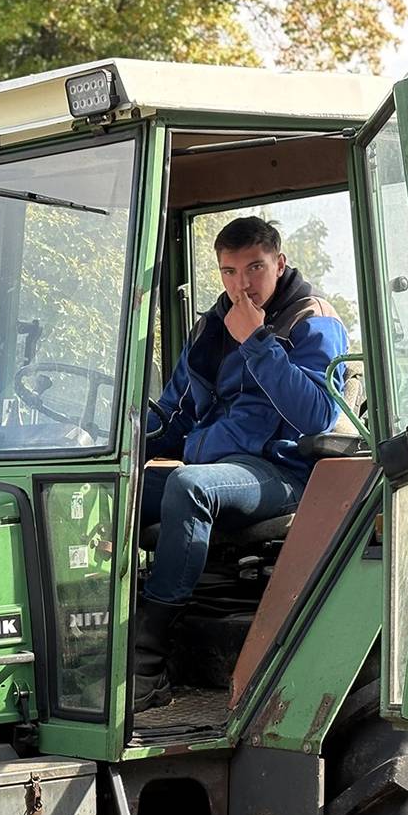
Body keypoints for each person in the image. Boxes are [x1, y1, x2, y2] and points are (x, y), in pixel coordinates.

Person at [134, 216, 348, 711]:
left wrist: (257, 341)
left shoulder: (312, 320)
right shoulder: (213, 327)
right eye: (229, 272)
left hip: (282, 471)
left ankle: (147, 660)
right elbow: (176, 410)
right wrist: (121, 445)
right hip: (219, 463)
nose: (241, 284)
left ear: (279, 263)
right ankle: (97, 643)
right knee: (109, 488)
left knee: (189, 487)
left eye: (254, 268)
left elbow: (316, 413)